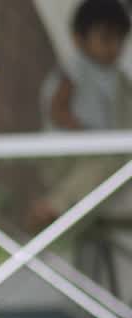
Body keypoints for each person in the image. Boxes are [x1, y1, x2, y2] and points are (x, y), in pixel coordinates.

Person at [31, 0, 132, 229]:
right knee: (110, 159)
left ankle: (63, 211)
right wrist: (86, 134)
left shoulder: (118, 79)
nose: (114, 47)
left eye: (120, 40)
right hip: (66, 155)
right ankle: (51, 206)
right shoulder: (76, 68)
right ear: (79, 39)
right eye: (106, 38)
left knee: (112, 161)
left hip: (94, 160)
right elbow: (58, 108)